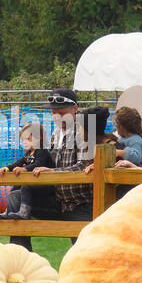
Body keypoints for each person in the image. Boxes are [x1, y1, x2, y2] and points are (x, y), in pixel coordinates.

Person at [10, 88, 94, 252]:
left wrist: (51, 172)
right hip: (58, 199)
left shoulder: (85, 131)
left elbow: (84, 167)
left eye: (61, 113)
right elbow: (51, 163)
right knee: (16, 197)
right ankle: (21, 255)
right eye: (54, 113)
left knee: (84, 253)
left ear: (75, 109)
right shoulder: (56, 133)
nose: (57, 117)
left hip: (80, 203)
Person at [0, 121, 55, 220]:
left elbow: (39, 164)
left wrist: (24, 169)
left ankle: (24, 212)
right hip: (35, 183)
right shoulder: (28, 153)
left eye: (27, 139)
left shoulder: (42, 151)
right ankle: (9, 210)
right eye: (22, 139)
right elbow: (18, 163)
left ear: (38, 138)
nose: (24, 142)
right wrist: (6, 168)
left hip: (46, 185)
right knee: (16, 186)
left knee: (25, 187)